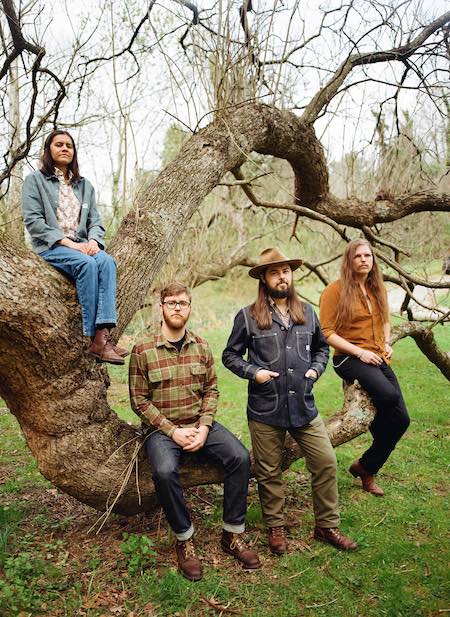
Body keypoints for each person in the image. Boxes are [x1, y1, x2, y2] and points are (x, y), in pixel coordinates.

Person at [222, 247, 358, 554]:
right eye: (274, 272)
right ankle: (276, 528)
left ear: (291, 275)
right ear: (264, 279)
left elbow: (322, 349)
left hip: (303, 405)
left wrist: (315, 369)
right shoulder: (248, 316)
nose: (282, 277)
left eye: (285, 271)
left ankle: (327, 526)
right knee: (269, 472)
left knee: (325, 462)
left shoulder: (307, 312)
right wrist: (253, 371)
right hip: (265, 407)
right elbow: (230, 355)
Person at [129, 282, 260, 581]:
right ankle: (185, 539)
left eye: (183, 303)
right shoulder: (142, 350)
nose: (177, 307)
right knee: (163, 471)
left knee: (240, 457)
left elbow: (211, 390)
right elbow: (139, 400)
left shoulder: (201, 346)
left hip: (200, 423)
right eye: (171, 302)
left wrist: (204, 426)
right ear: (160, 307)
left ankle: (232, 535)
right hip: (161, 431)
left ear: (190, 308)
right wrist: (173, 432)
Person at [21, 129, 126, 365]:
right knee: (87, 264)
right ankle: (91, 335)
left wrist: (92, 241)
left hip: (81, 245)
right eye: (59, 144)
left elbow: (95, 222)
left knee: (107, 261)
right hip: (52, 246)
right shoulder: (34, 181)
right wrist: (70, 245)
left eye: (69, 145)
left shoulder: (84, 185)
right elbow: (34, 222)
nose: (65, 148)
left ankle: (103, 338)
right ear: (49, 150)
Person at [319, 238, 410, 496]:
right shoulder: (334, 290)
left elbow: (385, 321)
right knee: (389, 397)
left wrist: (386, 342)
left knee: (402, 420)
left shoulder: (376, 287)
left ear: (373, 260)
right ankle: (376, 450)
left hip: (377, 356)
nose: (363, 260)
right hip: (348, 358)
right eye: (358, 256)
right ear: (349, 260)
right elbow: (327, 333)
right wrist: (360, 352)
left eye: (368, 256)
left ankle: (366, 467)